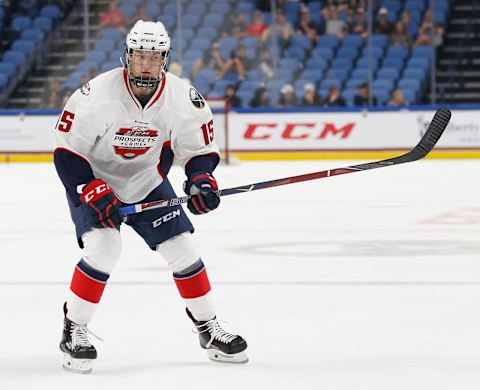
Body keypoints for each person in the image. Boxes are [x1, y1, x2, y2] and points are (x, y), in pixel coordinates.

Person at [54, 20, 248, 374]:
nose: (146, 64)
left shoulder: (182, 97)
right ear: (127, 56)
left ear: (165, 58)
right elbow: (67, 152)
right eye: (140, 56)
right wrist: (89, 187)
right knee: (104, 250)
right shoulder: (96, 95)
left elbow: (199, 149)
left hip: (146, 182)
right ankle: (74, 329)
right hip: (96, 184)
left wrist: (201, 179)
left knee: (184, 249)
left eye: (154, 57)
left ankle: (208, 327)